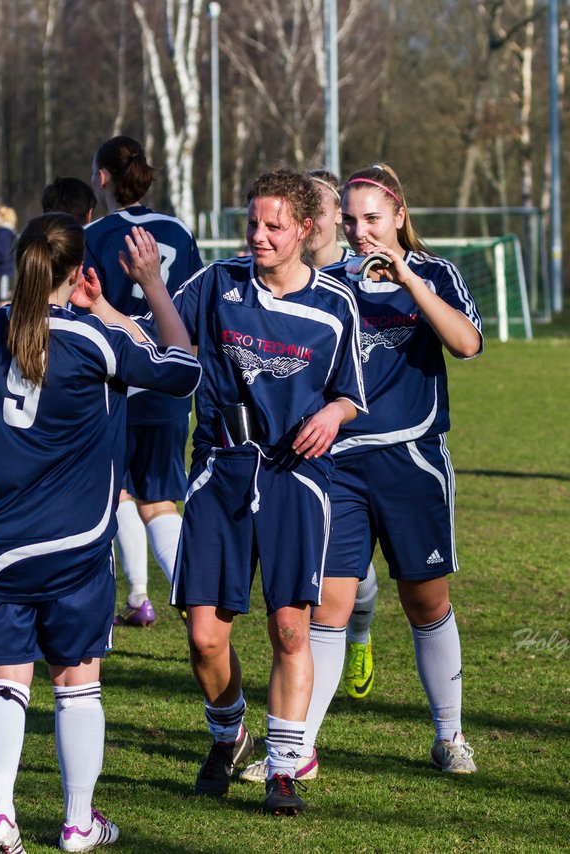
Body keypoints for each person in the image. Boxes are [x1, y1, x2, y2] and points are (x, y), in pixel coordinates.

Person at [0, 212, 200, 854]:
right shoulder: (95, 342)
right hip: (73, 546)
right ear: (80, 271)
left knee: (5, 679)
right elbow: (184, 368)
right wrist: (148, 289)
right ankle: (77, 824)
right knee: (76, 683)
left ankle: (1, 821)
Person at [169, 168, 366, 815]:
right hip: (221, 470)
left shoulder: (335, 306)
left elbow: (350, 395)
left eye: (273, 225)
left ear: (304, 230)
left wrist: (332, 415)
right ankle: (228, 734)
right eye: (252, 222)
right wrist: (139, 288)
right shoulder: (218, 285)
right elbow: (165, 337)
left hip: (295, 478)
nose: (257, 235)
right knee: (204, 638)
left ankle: (283, 764)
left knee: (289, 629)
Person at [282, 164, 484, 783]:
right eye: (352, 220)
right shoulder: (327, 282)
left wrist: (409, 281)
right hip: (338, 465)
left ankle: (448, 736)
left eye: (373, 219)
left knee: (426, 603)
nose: (361, 231)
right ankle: (299, 747)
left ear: (398, 216)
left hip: (412, 459)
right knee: (329, 609)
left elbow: (468, 344)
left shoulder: (436, 274)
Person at [84, 136, 204, 628]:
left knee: (116, 494)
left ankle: (136, 596)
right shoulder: (179, 231)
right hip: (170, 382)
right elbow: (194, 310)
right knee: (161, 501)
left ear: (105, 178)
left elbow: (83, 306)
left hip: (115, 384)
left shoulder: (96, 235)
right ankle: (192, 605)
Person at [305, 168, 378, 702]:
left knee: (355, 580)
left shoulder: (361, 277)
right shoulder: (282, 277)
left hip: (357, 443)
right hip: (301, 443)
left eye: (319, 207)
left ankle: (360, 633)